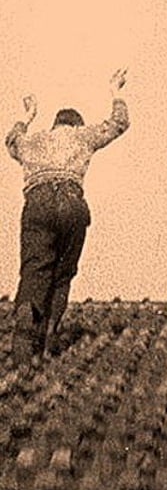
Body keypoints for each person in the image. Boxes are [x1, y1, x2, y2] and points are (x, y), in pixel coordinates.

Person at [6, 69, 129, 367]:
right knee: (63, 274)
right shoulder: (82, 135)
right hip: (72, 203)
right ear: (76, 124)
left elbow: (11, 140)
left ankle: (25, 330)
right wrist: (115, 91)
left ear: (54, 123)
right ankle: (49, 338)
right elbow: (119, 124)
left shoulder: (33, 141)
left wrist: (28, 115)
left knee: (35, 271)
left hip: (36, 204)